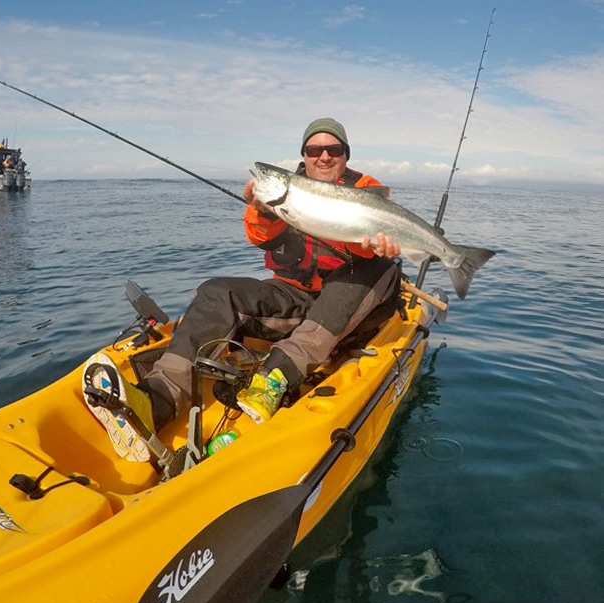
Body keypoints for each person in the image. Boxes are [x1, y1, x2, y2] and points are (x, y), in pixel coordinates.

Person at [84, 117, 402, 461]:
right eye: (314, 150)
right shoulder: (285, 190)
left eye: (333, 149)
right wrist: (261, 209)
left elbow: (384, 235)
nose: (324, 157)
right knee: (216, 291)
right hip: (295, 298)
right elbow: (259, 237)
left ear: (345, 155)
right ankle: (157, 398)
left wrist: (380, 245)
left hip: (351, 306)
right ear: (304, 155)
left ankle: (273, 378)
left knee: (375, 268)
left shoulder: (367, 186)